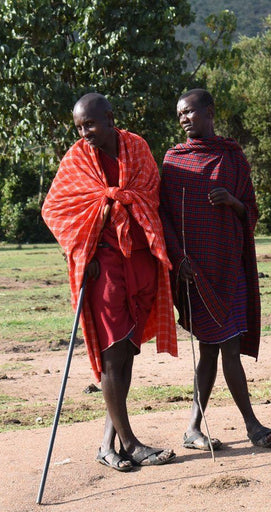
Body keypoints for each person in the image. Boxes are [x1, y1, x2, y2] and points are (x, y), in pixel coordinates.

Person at [41, 93, 178, 471]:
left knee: (127, 351)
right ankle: (131, 444)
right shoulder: (77, 158)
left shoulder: (136, 147)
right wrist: (83, 252)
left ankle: (107, 444)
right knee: (114, 351)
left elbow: (152, 192)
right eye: (80, 127)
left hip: (138, 259)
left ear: (110, 118)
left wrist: (122, 202)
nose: (85, 133)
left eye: (91, 124)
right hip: (102, 265)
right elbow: (54, 208)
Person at [160, 89, 271, 450]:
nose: (183, 119)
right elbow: (164, 216)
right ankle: (252, 427)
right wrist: (177, 257)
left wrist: (232, 201)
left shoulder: (232, 157)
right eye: (179, 114)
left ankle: (194, 429)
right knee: (223, 346)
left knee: (216, 349)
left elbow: (251, 211)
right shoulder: (173, 161)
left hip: (230, 266)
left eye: (190, 112)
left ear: (210, 112)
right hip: (195, 271)